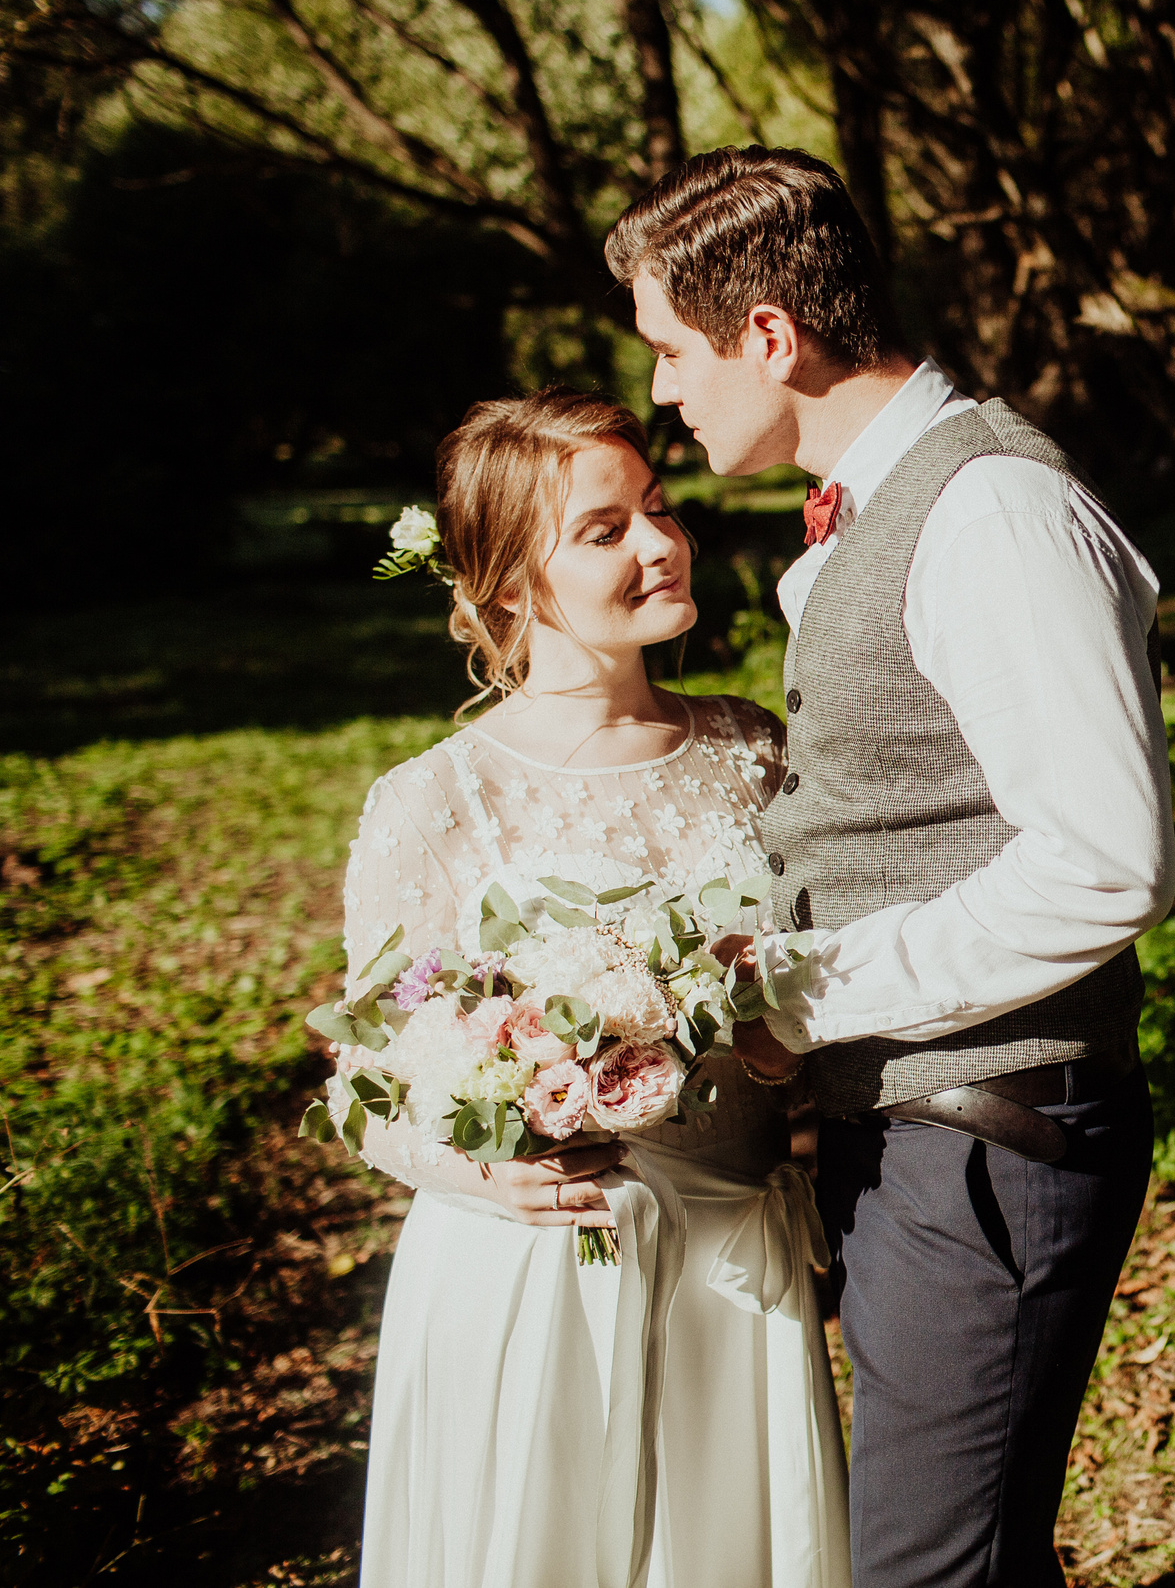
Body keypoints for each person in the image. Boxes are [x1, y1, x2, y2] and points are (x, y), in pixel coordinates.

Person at [605, 146, 1175, 1588]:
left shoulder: (990, 511)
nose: (666, 390)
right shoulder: (892, 504)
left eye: (673, 351)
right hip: (925, 1121)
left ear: (770, 338)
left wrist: (807, 993)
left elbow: (1107, 864)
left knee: (932, 1568)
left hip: (990, 1129)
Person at [340, 388, 849, 1588]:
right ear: (511, 585)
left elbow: (831, 975)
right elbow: (368, 1083)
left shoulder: (753, 750)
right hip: (537, 1275)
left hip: (735, 1263)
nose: (662, 544)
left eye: (660, 509)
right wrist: (482, 1172)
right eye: (605, 529)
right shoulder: (437, 800)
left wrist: (783, 1046)